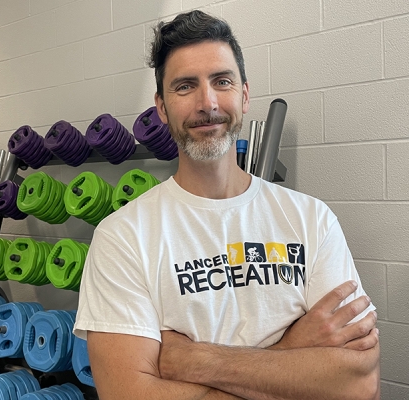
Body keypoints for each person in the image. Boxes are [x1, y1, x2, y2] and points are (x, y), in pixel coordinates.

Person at [73, 10, 380, 400]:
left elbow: (359, 384)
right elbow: (127, 393)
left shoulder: (311, 220)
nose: (208, 102)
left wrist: (196, 360)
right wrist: (291, 355)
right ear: (162, 107)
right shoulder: (122, 237)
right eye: (185, 86)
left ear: (245, 94)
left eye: (222, 81)